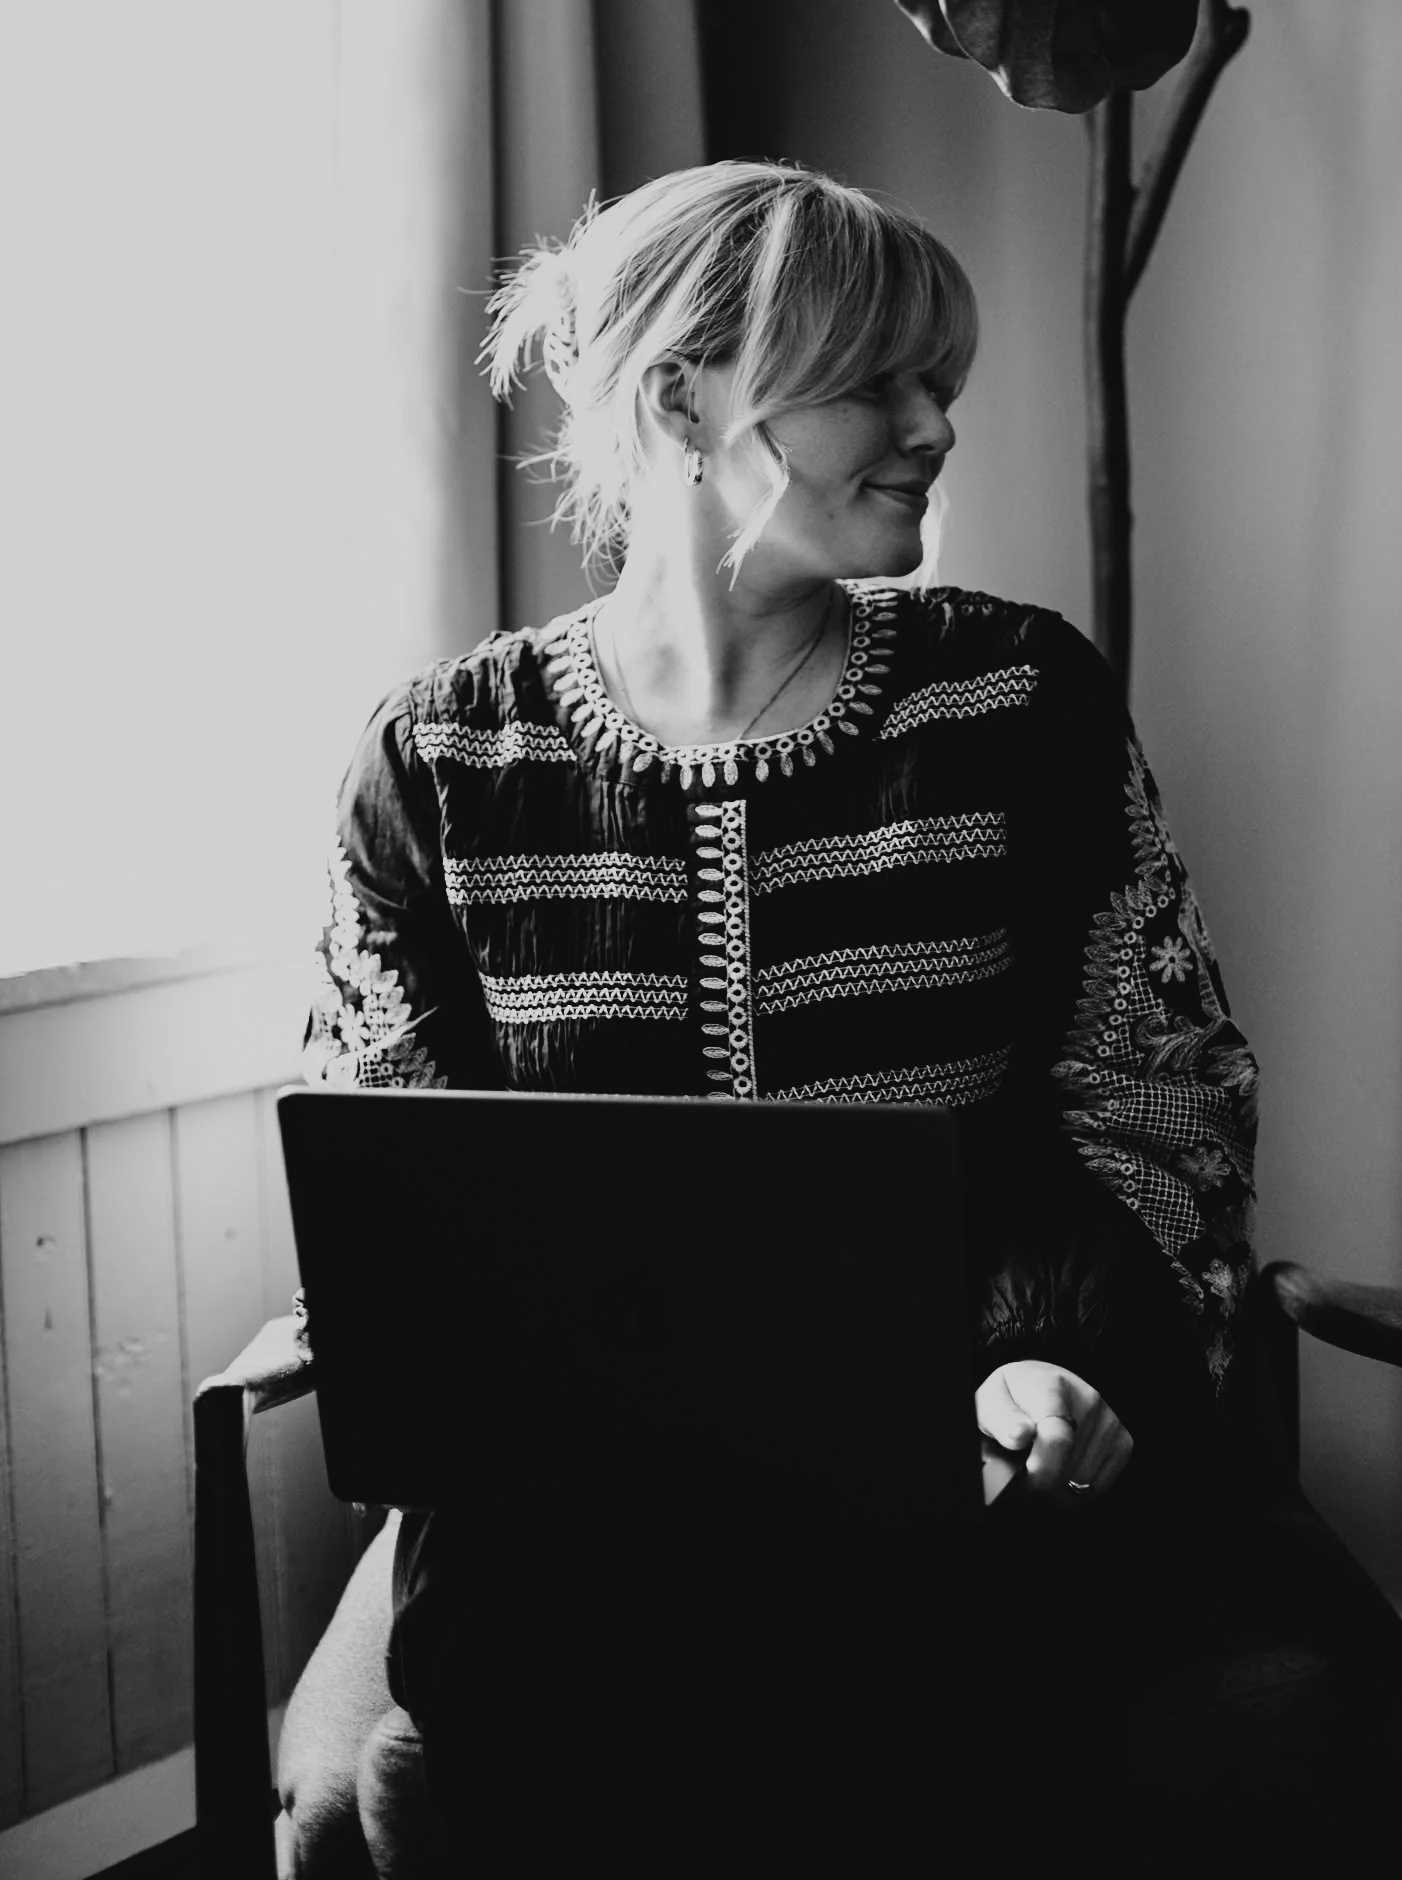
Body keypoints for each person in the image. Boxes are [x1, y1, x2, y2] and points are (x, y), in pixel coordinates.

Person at [304, 159, 1259, 1870]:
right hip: (571, 1524)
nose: (930, 425)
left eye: (939, 384)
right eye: (871, 383)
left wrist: (1054, 1361)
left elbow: (1152, 1096)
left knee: (930, 1672)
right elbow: (397, 1201)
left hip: (971, 1467)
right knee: (558, 1673)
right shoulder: (440, 762)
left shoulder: (1015, 700)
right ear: (683, 393)